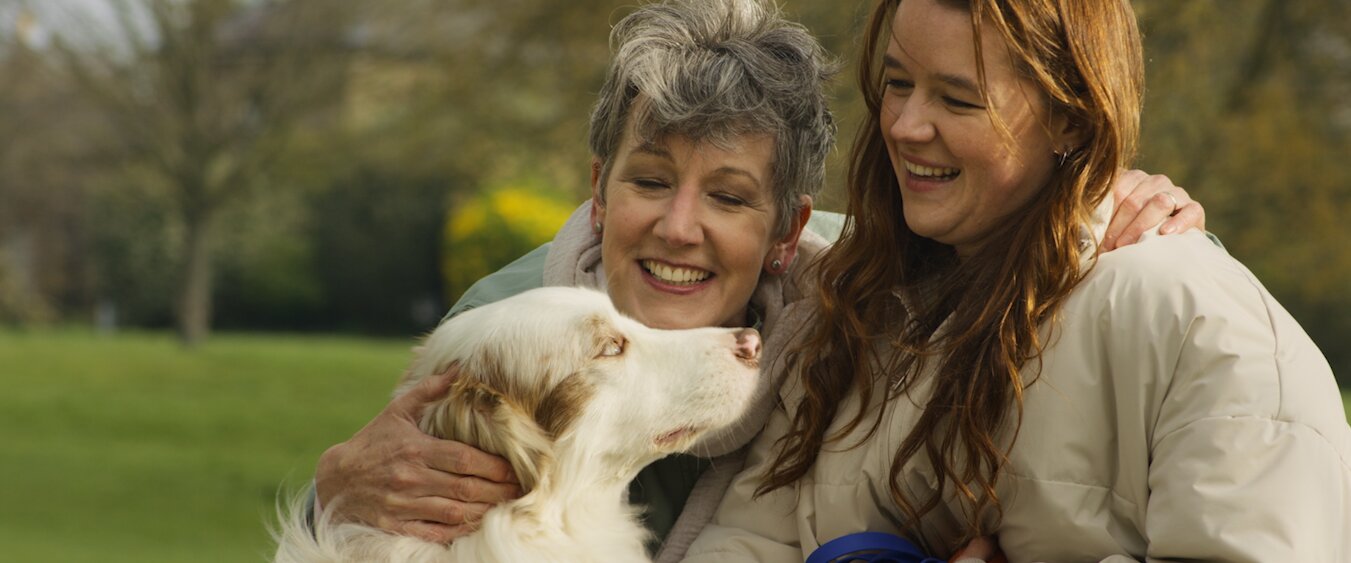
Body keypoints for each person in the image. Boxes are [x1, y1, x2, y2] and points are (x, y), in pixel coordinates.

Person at [308, 0, 1207, 560]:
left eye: (729, 197)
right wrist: (335, 483)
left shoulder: (855, 302)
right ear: (596, 188)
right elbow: (396, 519)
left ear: (787, 232)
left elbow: (982, 240)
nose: (678, 226)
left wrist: (1103, 197)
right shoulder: (501, 331)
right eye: (649, 179)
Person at [684, 0, 1351, 561]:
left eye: (956, 98)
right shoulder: (852, 305)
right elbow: (747, 537)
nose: (907, 125)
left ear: (1068, 116)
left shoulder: (1196, 324)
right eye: (896, 83)